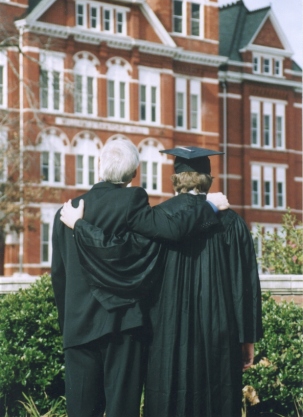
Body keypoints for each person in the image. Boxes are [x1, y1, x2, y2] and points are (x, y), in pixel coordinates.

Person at [60, 146, 263, 417]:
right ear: (209, 180)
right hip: (220, 331)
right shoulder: (233, 223)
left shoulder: (158, 218)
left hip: (167, 331)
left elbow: (129, 261)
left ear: (175, 179)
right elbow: (245, 284)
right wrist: (246, 339)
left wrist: (81, 227)